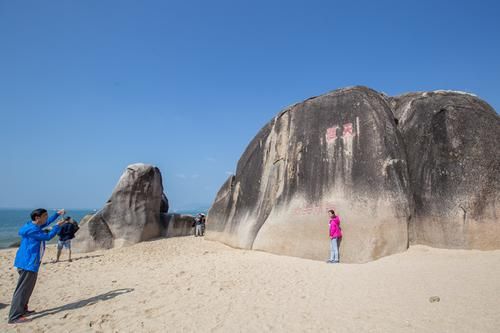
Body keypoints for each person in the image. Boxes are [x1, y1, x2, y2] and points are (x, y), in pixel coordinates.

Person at [8, 208, 66, 324]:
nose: (46, 218)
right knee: (22, 290)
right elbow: (48, 237)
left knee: (28, 288)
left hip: (30, 262)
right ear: (37, 218)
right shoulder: (32, 230)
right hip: (28, 263)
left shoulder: (33, 225)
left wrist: (57, 215)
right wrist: (57, 226)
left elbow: (47, 222)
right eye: (44, 216)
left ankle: (23, 310)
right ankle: (14, 316)